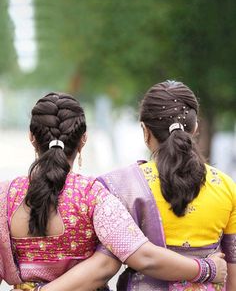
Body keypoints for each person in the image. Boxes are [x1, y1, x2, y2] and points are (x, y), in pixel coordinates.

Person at [0, 92, 226, 290]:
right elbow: (141, 255)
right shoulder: (93, 196)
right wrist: (207, 268)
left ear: (32, 137)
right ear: (83, 139)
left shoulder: (5, 196)